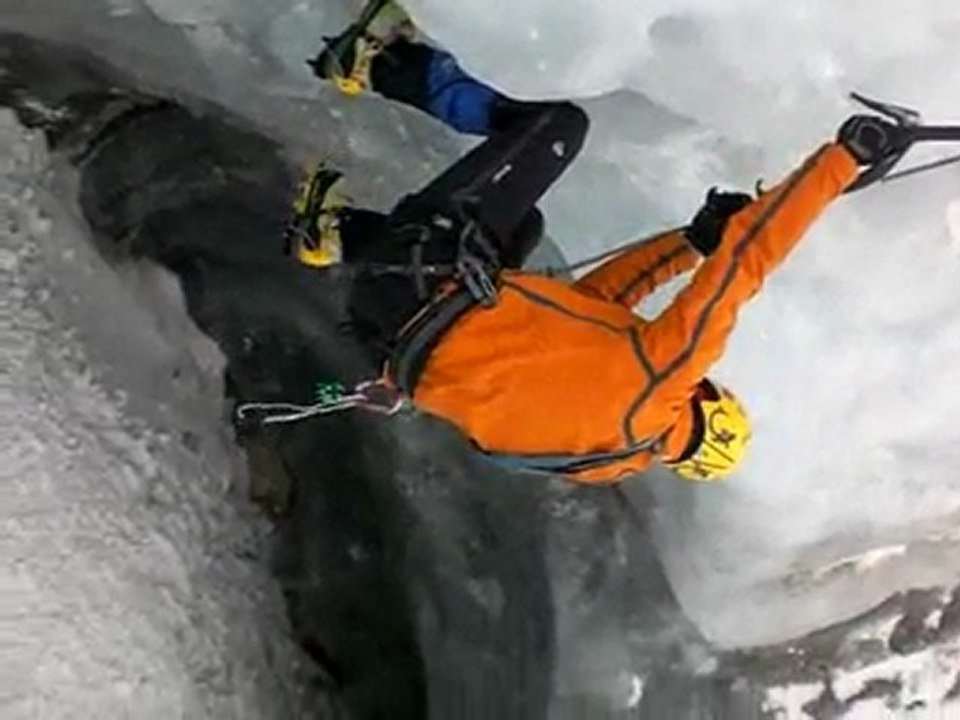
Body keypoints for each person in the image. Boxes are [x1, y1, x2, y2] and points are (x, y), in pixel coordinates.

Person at [294, 2, 907, 484]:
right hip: (386, 327)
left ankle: (377, 61)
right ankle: (334, 234)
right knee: (520, 232)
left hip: (419, 277)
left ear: (706, 399)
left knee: (555, 128)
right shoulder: (601, 453)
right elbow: (592, 307)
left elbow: (747, 262)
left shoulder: (667, 379)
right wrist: (691, 241)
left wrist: (844, 159)